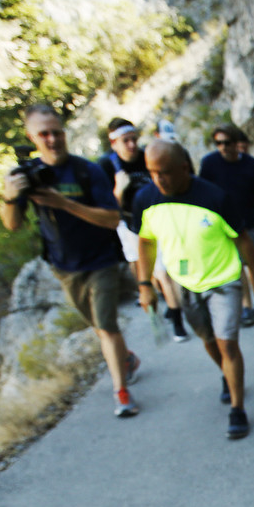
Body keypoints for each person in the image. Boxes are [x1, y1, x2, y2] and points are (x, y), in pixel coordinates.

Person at [0, 103, 140, 418]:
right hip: (64, 266)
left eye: (57, 132)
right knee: (98, 326)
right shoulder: (28, 177)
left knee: (106, 326)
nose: (52, 139)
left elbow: (110, 218)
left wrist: (62, 203)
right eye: (44, 134)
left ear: (65, 132)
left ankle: (122, 391)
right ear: (32, 137)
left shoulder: (86, 170)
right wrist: (10, 197)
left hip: (101, 259)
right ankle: (126, 358)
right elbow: (12, 224)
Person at [133, 140, 254, 439]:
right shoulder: (145, 199)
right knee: (208, 341)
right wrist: (145, 284)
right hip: (186, 283)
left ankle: (237, 409)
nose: (159, 180)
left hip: (224, 281)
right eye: (152, 173)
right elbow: (146, 242)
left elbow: (243, 240)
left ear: (184, 168)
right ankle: (227, 373)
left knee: (227, 344)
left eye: (165, 172)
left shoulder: (215, 197)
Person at [97, 117, 188, 341]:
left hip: (160, 221)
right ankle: (166, 301)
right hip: (129, 226)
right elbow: (108, 210)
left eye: (134, 139)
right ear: (114, 143)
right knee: (144, 269)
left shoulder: (148, 155)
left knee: (163, 271)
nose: (131, 145)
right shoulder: (107, 166)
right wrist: (119, 190)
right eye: (125, 141)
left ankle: (177, 320)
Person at [198, 124, 254, 325]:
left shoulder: (253, 165)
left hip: (249, 220)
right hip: (222, 224)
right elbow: (201, 191)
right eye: (218, 143)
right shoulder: (209, 164)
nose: (222, 147)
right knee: (237, 264)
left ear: (236, 143)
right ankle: (246, 307)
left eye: (227, 142)